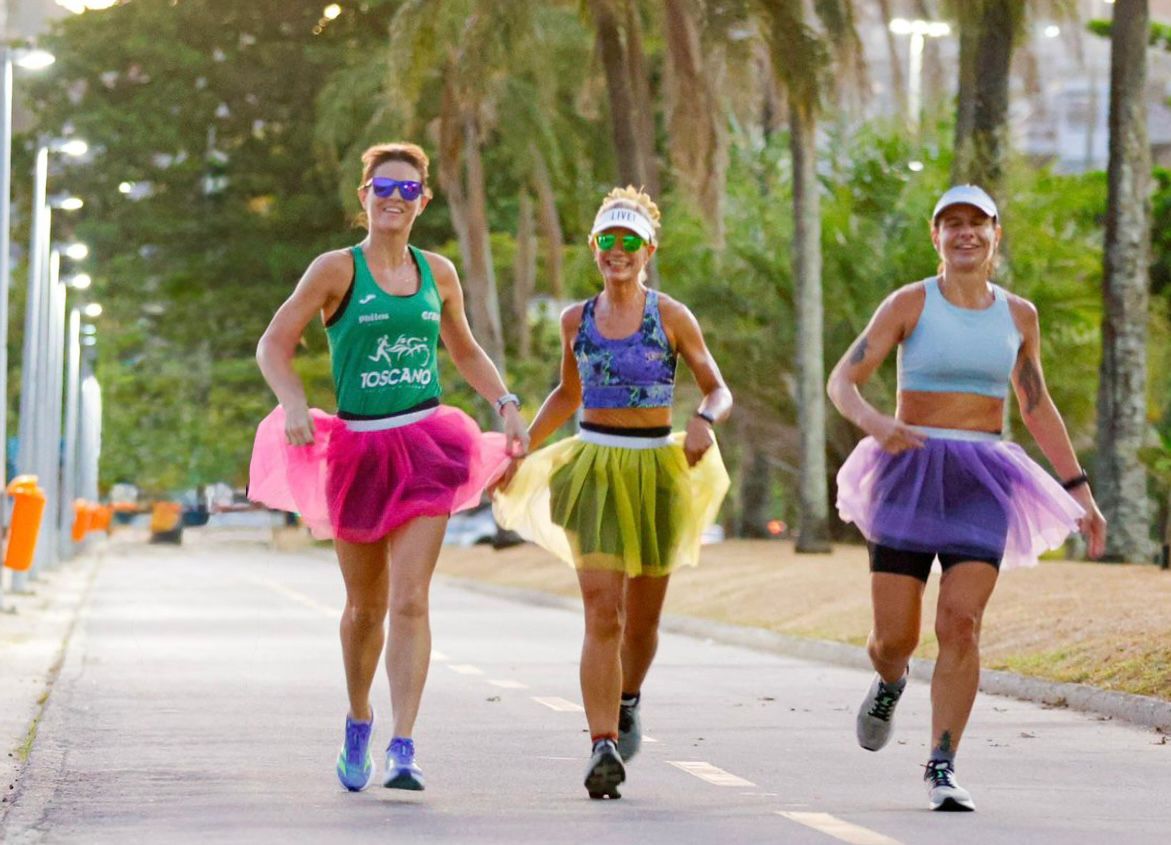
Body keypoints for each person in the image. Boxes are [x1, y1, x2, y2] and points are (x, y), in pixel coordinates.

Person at [249, 142, 528, 793]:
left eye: (407, 191)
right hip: (357, 450)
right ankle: (359, 718)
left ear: (422, 201)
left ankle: (404, 743)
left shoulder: (439, 272)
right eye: (383, 187)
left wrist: (506, 403)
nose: (394, 199)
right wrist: (291, 399)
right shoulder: (334, 271)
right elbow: (273, 343)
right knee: (363, 608)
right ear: (364, 195)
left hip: (428, 443)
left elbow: (464, 348)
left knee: (410, 599)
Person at [827, 185, 1107, 812]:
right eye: (952, 224)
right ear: (936, 237)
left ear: (995, 235)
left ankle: (942, 763)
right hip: (909, 472)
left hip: (983, 480)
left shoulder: (1018, 315)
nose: (965, 234)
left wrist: (1079, 492)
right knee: (893, 638)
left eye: (977, 224)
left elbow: (1034, 404)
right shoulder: (909, 304)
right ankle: (890, 679)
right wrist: (876, 424)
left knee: (962, 623)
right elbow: (843, 380)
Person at [492, 186, 732, 800]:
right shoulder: (576, 319)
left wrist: (705, 419)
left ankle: (628, 699)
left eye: (629, 241)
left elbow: (717, 388)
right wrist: (518, 447)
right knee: (603, 612)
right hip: (595, 467)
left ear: (648, 249)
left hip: (656, 471)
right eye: (607, 240)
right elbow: (568, 395)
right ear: (594, 248)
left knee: (642, 624)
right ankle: (601, 745)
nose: (617, 251)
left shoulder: (671, 316)